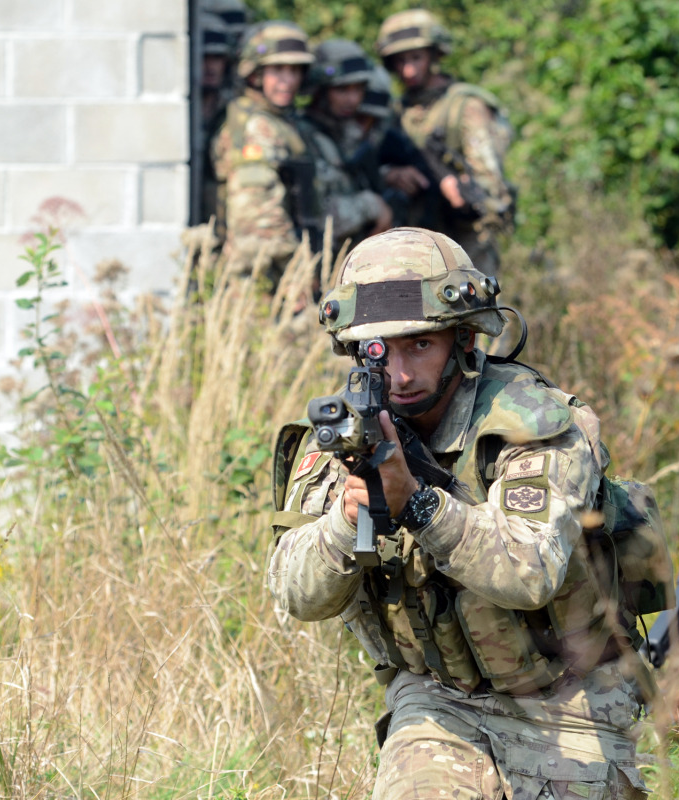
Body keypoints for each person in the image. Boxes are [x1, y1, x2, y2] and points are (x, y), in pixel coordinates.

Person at [267, 227, 658, 800]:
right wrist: (347, 523)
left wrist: (419, 506)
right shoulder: (346, 433)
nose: (398, 375)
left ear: (465, 340)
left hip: (571, 699)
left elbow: (530, 573)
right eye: (379, 351)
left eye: (419, 345)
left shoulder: (533, 424)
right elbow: (294, 595)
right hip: (438, 699)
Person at [375, 9, 515, 276]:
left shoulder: (465, 106)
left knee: (472, 313)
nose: (408, 69)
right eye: (400, 60)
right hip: (414, 239)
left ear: (435, 54)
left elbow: (490, 184)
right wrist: (392, 175)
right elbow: (372, 167)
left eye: (416, 57)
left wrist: (462, 191)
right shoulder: (398, 112)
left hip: (465, 238)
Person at [211, 21, 319, 284]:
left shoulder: (282, 121)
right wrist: (298, 274)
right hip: (262, 275)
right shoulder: (257, 126)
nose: (288, 80)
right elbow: (260, 220)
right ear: (255, 74)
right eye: (277, 70)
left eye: (295, 71)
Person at [302, 39, 393, 253]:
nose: (352, 99)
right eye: (342, 89)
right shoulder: (303, 138)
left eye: (358, 89)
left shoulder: (348, 135)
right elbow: (314, 216)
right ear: (321, 91)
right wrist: (371, 205)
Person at [349, 65, 435, 229]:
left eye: (370, 119)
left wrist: (389, 174)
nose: (362, 127)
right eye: (359, 118)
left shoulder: (389, 140)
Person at [199, 11, 232, 230]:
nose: (211, 66)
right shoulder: (180, 111)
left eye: (217, 58)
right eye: (204, 57)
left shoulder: (233, 109)